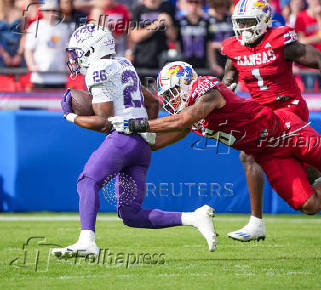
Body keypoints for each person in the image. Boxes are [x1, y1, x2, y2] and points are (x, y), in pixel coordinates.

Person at [109, 61, 321, 241]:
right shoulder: (188, 115)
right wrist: (122, 138)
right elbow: (162, 139)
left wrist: (136, 125)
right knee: (309, 205)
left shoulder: (207, 90)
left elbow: (184, 117)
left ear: (187, 82)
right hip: (268, 153)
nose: (171, 98)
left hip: (287, 131)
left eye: (173, 91)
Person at [220, 0, 321, 242]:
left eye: (248, 22)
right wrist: (224, 91)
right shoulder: (234, 48)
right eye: (239, 23)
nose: (243, 28)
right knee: (309, 174)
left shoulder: (280, 41)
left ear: (263, 22)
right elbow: (229, 76)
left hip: (289, 109)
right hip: (262, 114)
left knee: (249, 154)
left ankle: (256, 222)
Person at [51, 25, 217, 257]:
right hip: (140, 145)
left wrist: (72, 116)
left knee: (87, 181)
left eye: (79, 52)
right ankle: (194, 218)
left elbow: (105, 122)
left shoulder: (98, 68)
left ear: (91, 50)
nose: (76, 59)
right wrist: (143, 131)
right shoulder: (123, 63)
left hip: (123, 140)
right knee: (130, 214)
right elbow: (152, 104)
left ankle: (86, 240)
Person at [24, 0, 71, 88]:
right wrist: (31, 65)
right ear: (42, 11)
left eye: (54, 10)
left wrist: (69, 65)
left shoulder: (64, 28)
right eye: (48, 10)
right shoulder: (35, 26)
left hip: (59, 76)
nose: (51, 13)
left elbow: (68, 51)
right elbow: (28, 50)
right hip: (40, 77)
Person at [294, 0, 321, 89]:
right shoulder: (301, 17)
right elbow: (302, 41)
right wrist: (319, 37)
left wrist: (319, 17)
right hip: (308, 64)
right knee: (310, 96)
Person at [129, 0, 176, 70]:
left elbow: (173, 38)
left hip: (163, 60)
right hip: (142, 61)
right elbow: (135, 37)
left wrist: (169, 25)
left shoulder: (167, 7)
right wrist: (156, 24)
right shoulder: (138, 9)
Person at [176, 0, 209, 69]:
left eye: (196, 2)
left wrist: (211, 63)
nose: (193, 5)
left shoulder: (206, 20)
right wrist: (178, 61)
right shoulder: (179, 20)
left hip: (202, 63)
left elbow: (209, 43)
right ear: (186, 4)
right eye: (190, 2)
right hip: (185, 62)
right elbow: (177, 42)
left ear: (201, 4)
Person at [207, 0, 233, 76]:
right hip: (216, 57)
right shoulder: (208, 20)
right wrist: (213, 64)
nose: (220, 10)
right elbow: (209, 44)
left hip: (229, 56)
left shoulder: (231, 18)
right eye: (217, 7)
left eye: (222, 7)